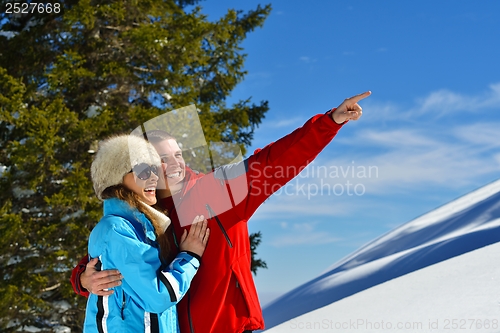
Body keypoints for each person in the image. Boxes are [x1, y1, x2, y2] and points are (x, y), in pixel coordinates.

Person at [72, 91, 371, 332]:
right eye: (162, 158)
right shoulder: (141, 214)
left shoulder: (216, 190)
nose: (174, 163)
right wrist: (83, 280)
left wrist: (329, 122)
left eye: (178, 154)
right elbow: (108, 258)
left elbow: (271, 164)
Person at [83, 134, 209, 333]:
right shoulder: (116, 229)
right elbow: (158, 296)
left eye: (153, 169)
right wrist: (190, 256)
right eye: (143, 171)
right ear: (116, 179)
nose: (154, 177)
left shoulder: (141, 227)